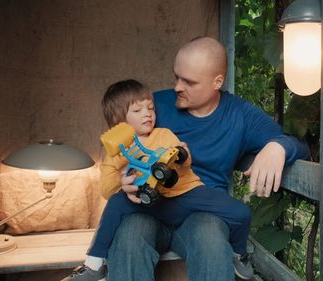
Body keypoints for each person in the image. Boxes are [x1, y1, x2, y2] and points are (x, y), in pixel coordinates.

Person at [106, 37, 310, 281]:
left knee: (211, 240)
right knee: (129, 235)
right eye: (177, 77)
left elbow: (300, 145)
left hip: (203, 213)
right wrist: (122, 177)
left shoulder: (240, 115)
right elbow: (119, 144)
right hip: (152, 207)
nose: (178, 87)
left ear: (217, 82)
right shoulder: (154, 106)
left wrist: (278, 147)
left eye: (189, 82)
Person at [61, 79, 254, 281]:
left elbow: (181, 161)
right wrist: (121, 179)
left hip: (185, 195)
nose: (148, 114)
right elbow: (106, 188)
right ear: (119, 121)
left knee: (240, 212)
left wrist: (183, 155)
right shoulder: (117, 152)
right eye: (138, 111)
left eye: (150, 108)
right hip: (150, 203)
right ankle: (94, 264)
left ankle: (238, 254)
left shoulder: (163, 134)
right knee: (117, 203)